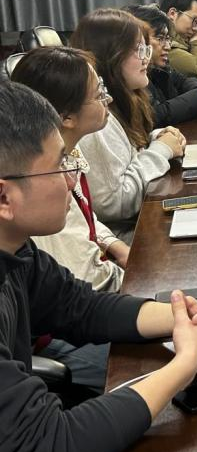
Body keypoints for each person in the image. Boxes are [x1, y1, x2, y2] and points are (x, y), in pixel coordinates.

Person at [0, 81, 197, 452]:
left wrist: (181, 317)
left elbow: (80, 307)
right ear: (4, 196)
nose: (73, 177)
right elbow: (54, 448)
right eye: (60, 164)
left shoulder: (14, 251)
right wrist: (184, 364)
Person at [11, 47, 126, 293]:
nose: (108, 100)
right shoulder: (46, 180)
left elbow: (85, 218)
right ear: (67, 118)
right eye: (99, 94)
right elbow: (90, 280)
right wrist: (143, 274)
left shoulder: (68, 152)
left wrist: (114, 244)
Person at [70, 8, 186, 241]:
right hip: (125, 235)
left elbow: (127, 158)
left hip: (138, 222)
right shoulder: (96, 121)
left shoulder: (123, 102)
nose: (146, 58)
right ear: (109, 56)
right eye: (138, 50)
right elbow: (114, 204)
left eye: (146, 48)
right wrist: (161, 150)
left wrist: (155, 138)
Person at [126, 4, 197, 127]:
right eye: (160, 38)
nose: (167, 46)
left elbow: (183, 81)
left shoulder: (159, 66)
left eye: (168, 39)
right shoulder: (133, 74)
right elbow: (156, 115)